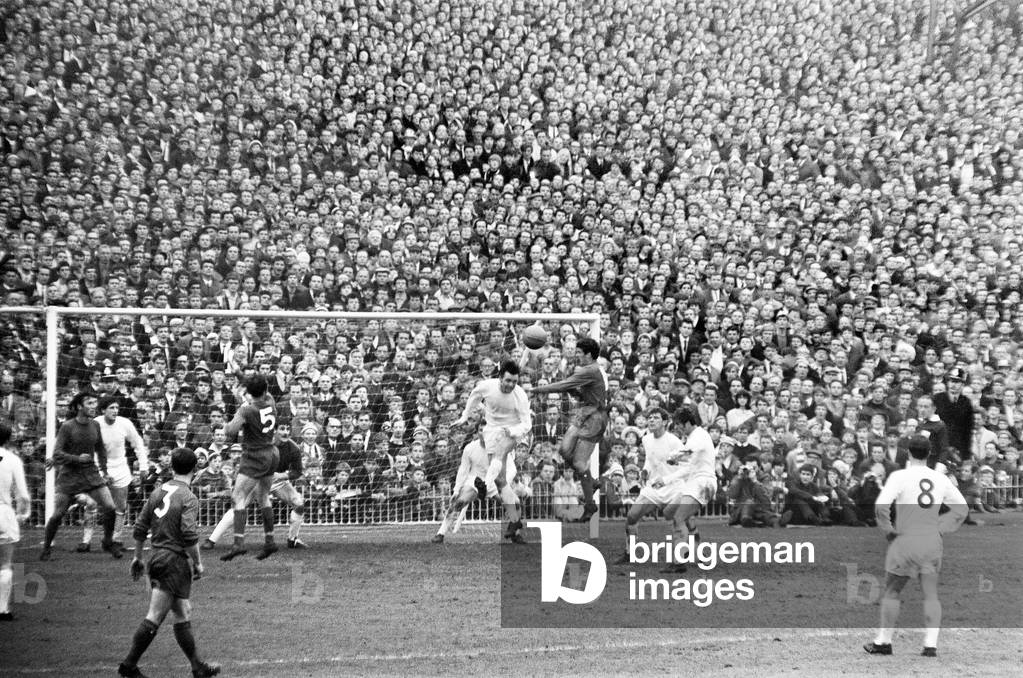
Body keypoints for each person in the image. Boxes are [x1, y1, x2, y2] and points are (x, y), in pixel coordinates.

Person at [117, 447, 219, 678]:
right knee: (155, 616)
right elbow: (189, 535)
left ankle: (197, 666)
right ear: (195, 468)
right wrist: (198, 563)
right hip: (173, 561)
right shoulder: (188, 497)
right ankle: (129, 665)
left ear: (172, 467)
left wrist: (137, 557)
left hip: (156, 557)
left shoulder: (158, 491)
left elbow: (140, 527)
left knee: (182, 611)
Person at [864, 436, 968, 658]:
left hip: (906, 540)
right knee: (931, 593)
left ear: (908, 453)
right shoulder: (939, 479)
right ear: (929, 454)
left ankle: (884, 642)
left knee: (892, 591)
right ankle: (930, 645)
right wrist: (941, 527)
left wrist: (888, 530)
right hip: (931, 541)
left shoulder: (900, 476)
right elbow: (962, 509)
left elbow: (881, 506)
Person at [529, 337, 609, 522]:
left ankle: (590, 505)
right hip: (585, 412)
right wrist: (578, 393)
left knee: (580, 463)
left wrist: (538, 390)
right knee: (564, 450)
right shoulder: (593, 370)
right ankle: (592, 481)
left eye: (580, 353)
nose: (577, 355)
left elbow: (564, 384)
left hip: (594, 418)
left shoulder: (590, 369)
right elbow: (588, 392)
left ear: (588, 355)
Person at [202, 419, 307, 550]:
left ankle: (293, 539)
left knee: (299, 504)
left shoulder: (294, 448)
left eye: (287, 429)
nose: (285, 432)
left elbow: (297, 472)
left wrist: (281, 476)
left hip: (277, 480)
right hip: (256, 477)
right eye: (282, 429)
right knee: (239, 505)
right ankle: (211, 540)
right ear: (274, 431)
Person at [41, 393, 118, 561]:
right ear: (79, 407)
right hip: (70, 476)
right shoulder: (68, 427)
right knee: (57, 514)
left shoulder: (95, 425)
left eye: (94, 403)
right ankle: (46, 547)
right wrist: (77, 459)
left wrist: (104, 471)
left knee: (110, 507)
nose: (93, 406)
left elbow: (101, 449)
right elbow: (57, 453)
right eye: (89, 403)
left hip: (91, 474)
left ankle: (107, 540)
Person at [452, 360, 532, 505]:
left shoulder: (520, 396)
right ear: (500, 378)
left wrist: (513, 430)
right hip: (491, 429)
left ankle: (485, 486)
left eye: (514, 382)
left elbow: (527, 424)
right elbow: (474, 396)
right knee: (500, 481)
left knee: (500, 451)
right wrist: (465, 415)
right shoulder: (487, 386)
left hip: (512, 431)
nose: (510, 385)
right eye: (507, 380)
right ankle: (516, 511)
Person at [219, 375, 280, 562]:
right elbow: (261, 394)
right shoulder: (271, 402)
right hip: (272, 453)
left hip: (254, 456)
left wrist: (228, 420)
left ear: (248, 392)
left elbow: (230, 431)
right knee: (263, 496)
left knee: (238, 497)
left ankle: (238, 543)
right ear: (265, 390)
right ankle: (269, 541)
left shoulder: (246, 410)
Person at [617, 408, 685, 565]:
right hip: (653, 487)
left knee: (680, 521)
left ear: (665, 422)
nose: (651, 420)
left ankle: (684, 556)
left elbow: (687, 467)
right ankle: (630, 552)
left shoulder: (674, 441)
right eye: (650, 418)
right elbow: (650, 459)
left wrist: (667, 479)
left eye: (656, 418)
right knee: (631, 517)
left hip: (674, 487)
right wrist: (646, 470)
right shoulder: (646, 439)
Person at [658, 406, 718, 573]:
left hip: (703, 483)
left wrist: (673, 456)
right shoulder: (695, 436)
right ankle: (699, 554)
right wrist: (665, 480)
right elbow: (688, 467)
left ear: (686, 423)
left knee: (678, 517)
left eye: (678, 424)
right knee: (677, 515)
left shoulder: (698, 436)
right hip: (697, 482)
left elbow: (688, 451)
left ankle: (679, 562)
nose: (677, 428)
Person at [96, 396, 149, 557]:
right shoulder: (95, 424)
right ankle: (90, 539)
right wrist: (101, 471)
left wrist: (144, 465)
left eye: (116, 408)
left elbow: (138, 443)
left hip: (120, 468)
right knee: (101, 506)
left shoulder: (125, 423)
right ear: (103, 410)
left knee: (120, 507)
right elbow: (91, 449)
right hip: (100, 467)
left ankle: (115, 540)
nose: (114, 411)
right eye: (111, 408)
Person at [1, 422, 31, 620]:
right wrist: (22, 515)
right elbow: (23, 494)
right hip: (3, 514)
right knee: (5, 564)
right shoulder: (12, 460)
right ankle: (2, 609)